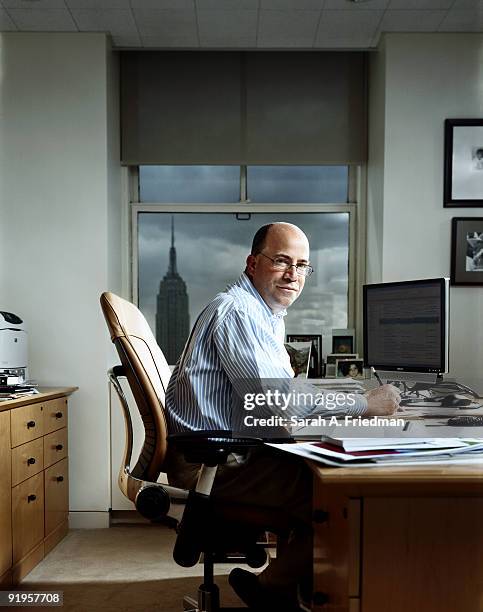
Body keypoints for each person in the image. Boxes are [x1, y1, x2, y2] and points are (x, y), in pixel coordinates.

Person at [165, 222, 400, 611]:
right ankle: (278, 588)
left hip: (233, 452)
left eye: (302, 265)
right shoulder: (238, 312)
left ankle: (286, 583)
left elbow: (283, 396)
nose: (293, 274)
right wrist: (362, 405)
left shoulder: (266, 315)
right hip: (214, 462)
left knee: (335, 472)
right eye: (281, 261)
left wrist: (347, 400)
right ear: (253, 263)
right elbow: (279, 404)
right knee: (347, 494)